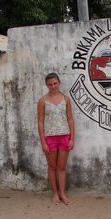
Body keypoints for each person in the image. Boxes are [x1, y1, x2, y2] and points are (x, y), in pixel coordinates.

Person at [37, 72, 75, 205]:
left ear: (59, 82)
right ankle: (55, 194)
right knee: (52, 166)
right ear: (46, 85)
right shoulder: (43, 101)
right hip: (50, 138)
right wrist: (43, 142)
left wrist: (72, 138)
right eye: (50, 84)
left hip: (64, 136)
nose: (53, 86)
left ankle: (62, 193)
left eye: (55, 83)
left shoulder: (66, 99)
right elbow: (40, 122)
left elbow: (70, 119)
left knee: (62, 167)